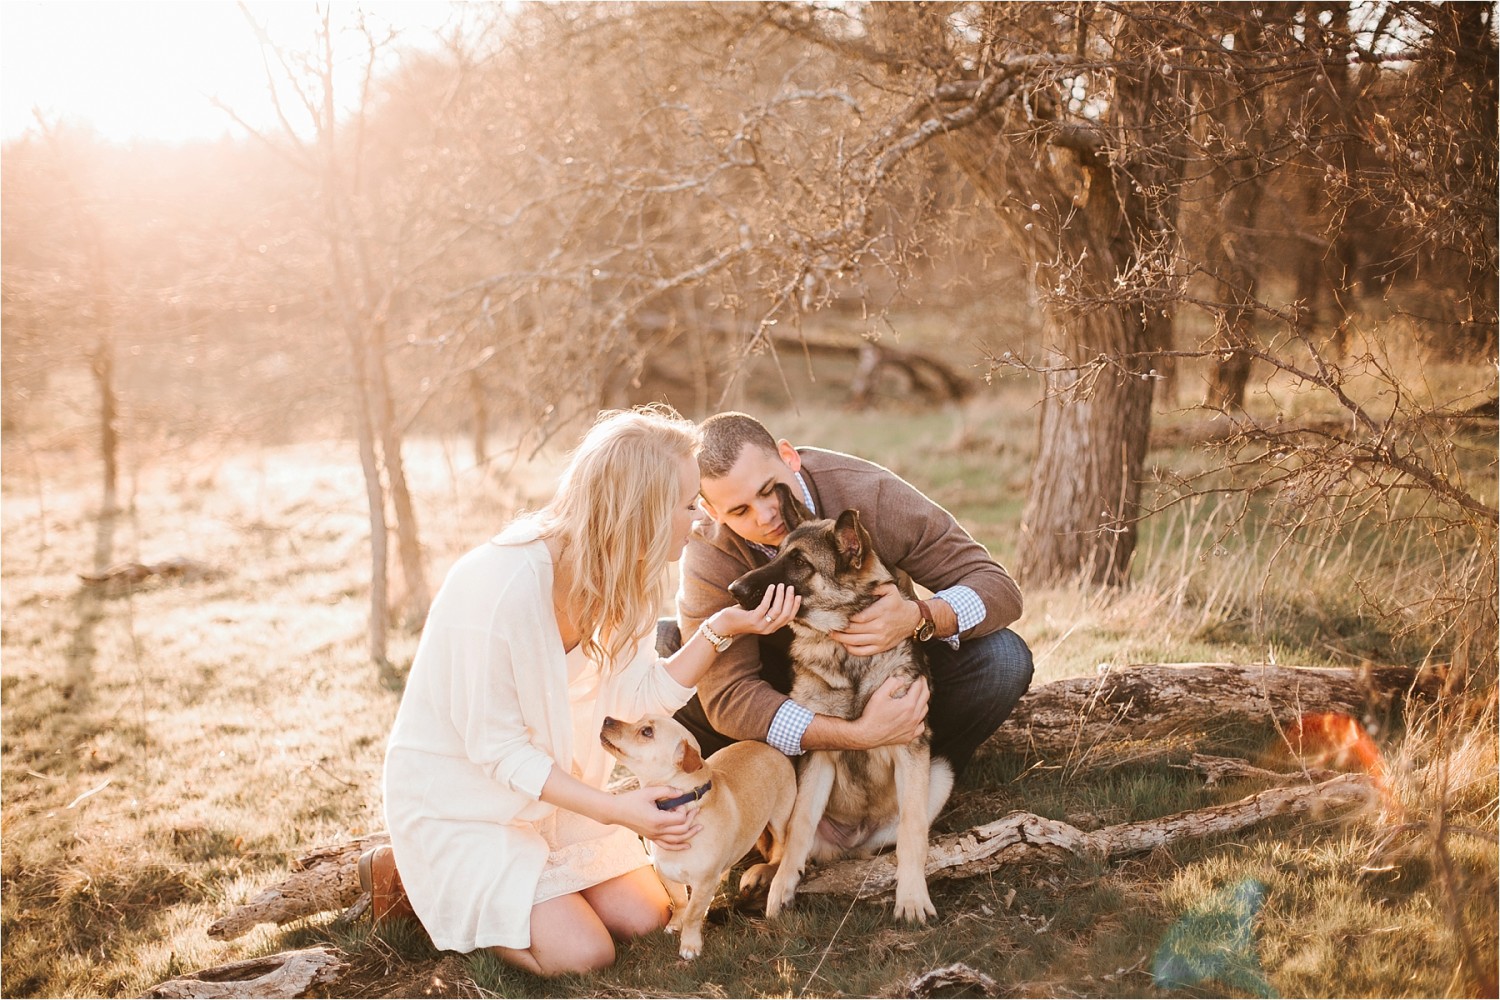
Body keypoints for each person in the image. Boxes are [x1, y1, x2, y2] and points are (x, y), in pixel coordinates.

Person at [370, 405, 800, 977]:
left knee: (645, 916)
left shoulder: (629, 577)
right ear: (641, 513)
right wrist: (618, 811)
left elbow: (641, 698)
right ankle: (404, 874)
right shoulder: (499, 587)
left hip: (551, 795)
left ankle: (527, 887)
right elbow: (497, 751)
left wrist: (723, 628)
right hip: (465, 804)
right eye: (687, 503)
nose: (701, 520)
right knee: (584, 954)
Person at [671, 411, 1033, 780]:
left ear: (788, 457)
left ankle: (910, 786)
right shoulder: (708, 553)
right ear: (712, 511)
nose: (765, 517)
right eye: (740, 510)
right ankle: (771, 793)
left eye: (768, 490)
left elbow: (996, 586)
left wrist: (919, 616)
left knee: (1003, 659)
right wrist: (854, 736)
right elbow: (729, 694)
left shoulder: (870, 493)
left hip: (891, 672)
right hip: (788, 684)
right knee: (669, 653)